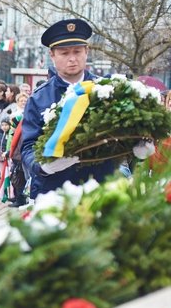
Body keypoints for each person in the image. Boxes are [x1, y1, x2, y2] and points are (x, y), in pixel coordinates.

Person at [20, 19, 116, 197]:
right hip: (55, 190)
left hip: (100, 188)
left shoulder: (106, 90)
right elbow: (28, 146)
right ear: (52, 55)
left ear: (86, 52)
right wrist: (42, 166)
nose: (72, 59)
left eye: (77, 51)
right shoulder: (39, 98)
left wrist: (136, 147)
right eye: (64, 53)